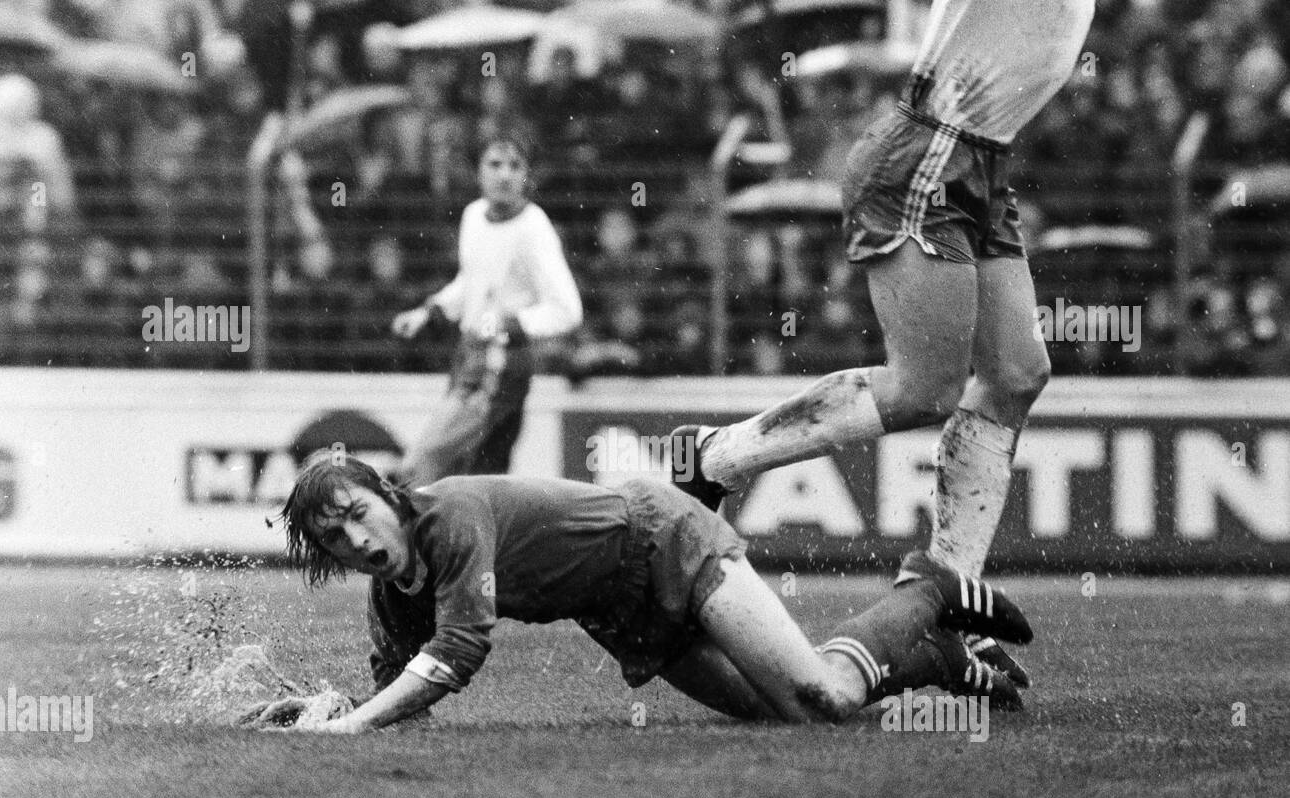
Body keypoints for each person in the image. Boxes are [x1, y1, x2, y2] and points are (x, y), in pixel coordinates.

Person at [671, 0, 1096, 684]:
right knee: (925, 389)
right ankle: (712, 457)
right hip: (927, 152)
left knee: (1016, 373)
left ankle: (951, 608)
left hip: (978, 162)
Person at [246, 452, 1029, 734]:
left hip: (660, 540)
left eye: (356, 515)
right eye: (335, 540)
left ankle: (922, 592)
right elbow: (397, 700)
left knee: (822, 698)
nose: (355, 540)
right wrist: (328, 712)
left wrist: (347, 730)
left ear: (388, 493)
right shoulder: (390, 596)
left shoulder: (447, 516)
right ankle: (937, 659)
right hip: (616, 610)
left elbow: (458, 651)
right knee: (785, 714)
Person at [390, 132, 582, 484]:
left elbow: (567, 308)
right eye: (495, 164)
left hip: (502, 361)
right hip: (469, 353)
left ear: (527, 175)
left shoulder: (533, 228)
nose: (504, 174)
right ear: (479, 171)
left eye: (515, 165)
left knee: (423, 465)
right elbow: (471, 281)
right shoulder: (473, 216)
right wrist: (429, 311)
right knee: (484, 476)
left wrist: (511, 322)